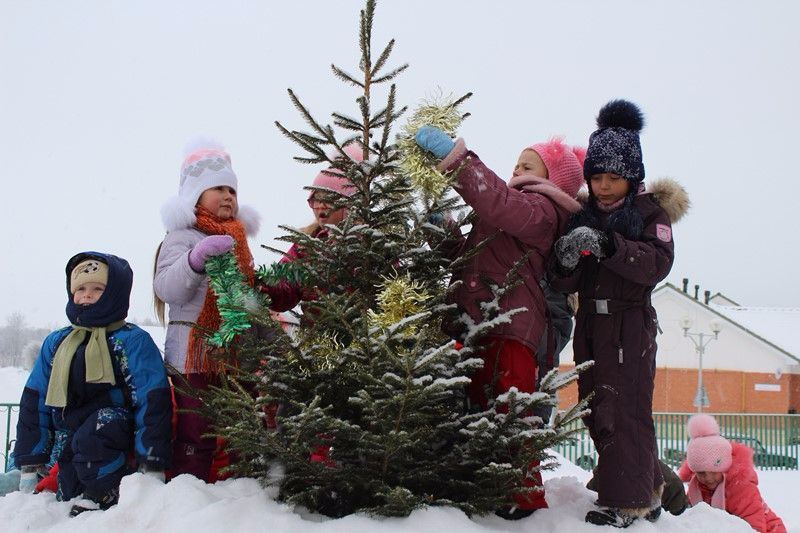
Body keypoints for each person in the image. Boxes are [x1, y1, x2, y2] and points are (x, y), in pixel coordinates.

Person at [415, 129, 585, 519]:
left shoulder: (541, 209)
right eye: (517, 162)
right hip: (480, 325)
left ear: (553, 179)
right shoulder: (515, 211)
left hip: (514, 328)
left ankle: (524, 500)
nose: (517, 169)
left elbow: (496, 201)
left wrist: (457, 160)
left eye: (528, 165)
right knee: (478, 409)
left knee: (511, 410)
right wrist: (442, 232)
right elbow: (470, 255)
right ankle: (484, 487)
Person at [549, 99, 688, 528]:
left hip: (629, 325)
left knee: (626, 411)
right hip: (591, 324)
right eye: (596, 177)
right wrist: (567, 258)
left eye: (614, 178)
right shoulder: (583, 215)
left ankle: (628, 503)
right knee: (597, 409)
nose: (604, 186)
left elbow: (655, 264)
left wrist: (610, 247)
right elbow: (564, 279)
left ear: (632, 178)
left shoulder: (650, 214)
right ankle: (640, 487)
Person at [13, 252, 171, 516]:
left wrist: (152, 459)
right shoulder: (58, 342)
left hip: (113, 429)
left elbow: (151, 398)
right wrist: (31, 459)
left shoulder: (131, 339)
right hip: (70, 433)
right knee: (68, 486)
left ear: (115, 294)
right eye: (81, 289)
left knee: (93, 435)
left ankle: (106, 497)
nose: (87, 294)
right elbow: (35, 398)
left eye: (97, 289)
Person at [154, 138, 260, 482]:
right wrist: (194, 260)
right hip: (193, 357)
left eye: (232, 189)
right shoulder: (182, 237)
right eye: (218, 188)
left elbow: (246, 297)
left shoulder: (238, 240)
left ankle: (243, 494)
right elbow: (166, 288)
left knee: (245, 425)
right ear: (195, 196)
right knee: (196, 429)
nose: (229, 195)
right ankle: (188, 490)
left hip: (235, 353)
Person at [678, 414, 786, 533]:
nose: (708, 478)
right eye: (701, 473)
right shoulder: (696, 488)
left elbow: (753, 527)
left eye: (714, 472)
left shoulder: (742, 488)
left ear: (725, 467)